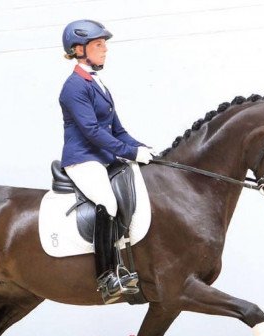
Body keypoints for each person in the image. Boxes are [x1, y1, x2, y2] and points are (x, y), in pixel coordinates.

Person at [59, 19, 156, 304]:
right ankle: (107, 275)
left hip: (102, 157)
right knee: (108, 203)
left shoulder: (97, 83)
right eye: (98, 45)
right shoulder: (74, 86)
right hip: (83, 159)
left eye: (104, 45)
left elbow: (117, 130)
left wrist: (142, 148)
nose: (105, 50)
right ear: (79, 49)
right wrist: (129, 152)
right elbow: (92, 131)